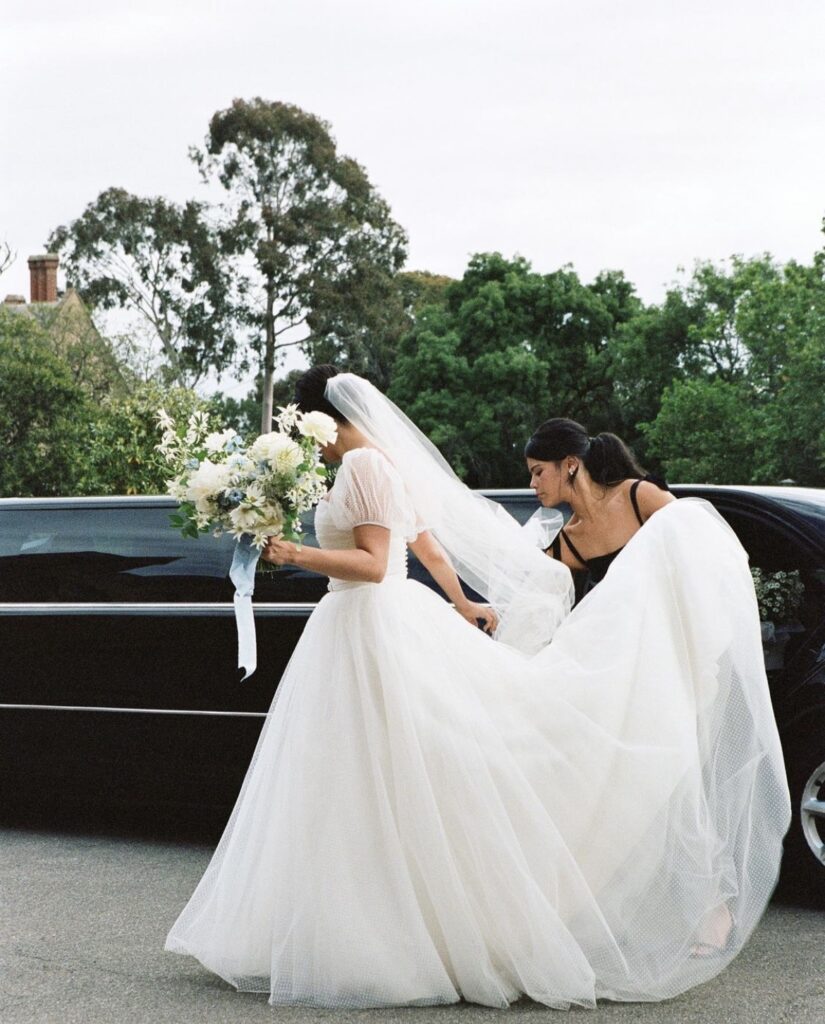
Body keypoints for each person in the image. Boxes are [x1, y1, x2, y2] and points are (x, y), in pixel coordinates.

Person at [165, 367, 790, 1010]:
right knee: (363, 775)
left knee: (380, 772)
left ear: (324, 419)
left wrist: (293, 554)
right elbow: (428, 546)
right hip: (358, 627)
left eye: (305, 425)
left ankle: (387, 926)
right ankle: (367, 920)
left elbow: (380, 562)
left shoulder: (363, 469)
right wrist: (464, 604)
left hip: (376, 625)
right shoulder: (372, 474)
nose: (308, 442)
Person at [525, 418, 674, 587]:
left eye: (538, 472)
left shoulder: (638, 496)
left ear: (571, 464)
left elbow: (698, 540)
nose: (532, 484)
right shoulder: (564, 546)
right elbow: (533, 597)